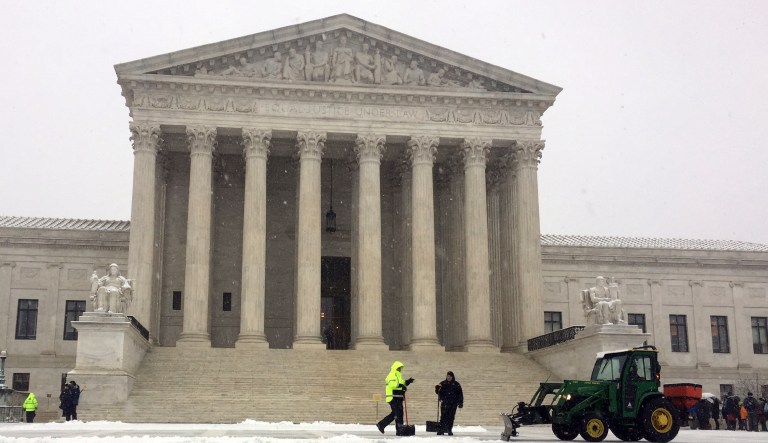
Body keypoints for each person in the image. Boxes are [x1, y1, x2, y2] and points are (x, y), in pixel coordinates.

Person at [376, 361, 414, 434]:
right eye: (399, 368)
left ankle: (385, 425)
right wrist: (401, 386)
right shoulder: (391, 375)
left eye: (400, 368)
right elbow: (392, 384)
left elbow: (401, 383)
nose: (400, 369)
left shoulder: (398, 376)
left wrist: (407, 382)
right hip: (393, 397)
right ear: (395, 368)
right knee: (397, 414)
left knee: (397, 413)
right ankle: (398, 429)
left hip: (398, 397)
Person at [434, 371, 464, 436]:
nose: (448, 377)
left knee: (451, 417)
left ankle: (449, 430)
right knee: (443, 417)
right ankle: (441, 430)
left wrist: (460, 402)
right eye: (448, 376)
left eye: (450, 376)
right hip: (444, 403)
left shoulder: (456, 384)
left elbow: (460, 394)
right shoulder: (442, 383)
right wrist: (436, 389)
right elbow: (437, 391)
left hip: (453, 404)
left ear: (452, 377)